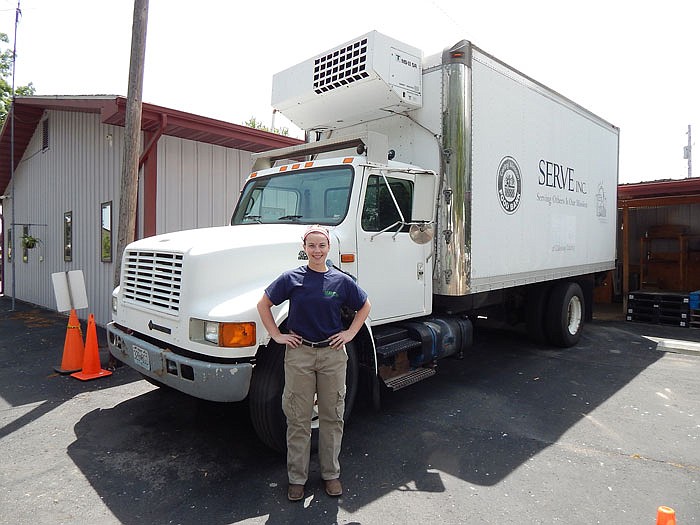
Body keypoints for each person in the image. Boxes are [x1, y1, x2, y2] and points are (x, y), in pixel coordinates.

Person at [257, 225, 371, 502]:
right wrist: (276, 335)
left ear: (328, 247)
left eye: (322, 246)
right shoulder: (291, 278)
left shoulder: (340, 281)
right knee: (298, 418)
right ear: (304, 248)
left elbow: (365, 306)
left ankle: (331, 475)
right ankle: (297, 479)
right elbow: (264, 304)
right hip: (300, 355)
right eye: (312, 246)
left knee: (332, 416)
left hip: (332, 355)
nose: (317, 251)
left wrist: (350, 333)